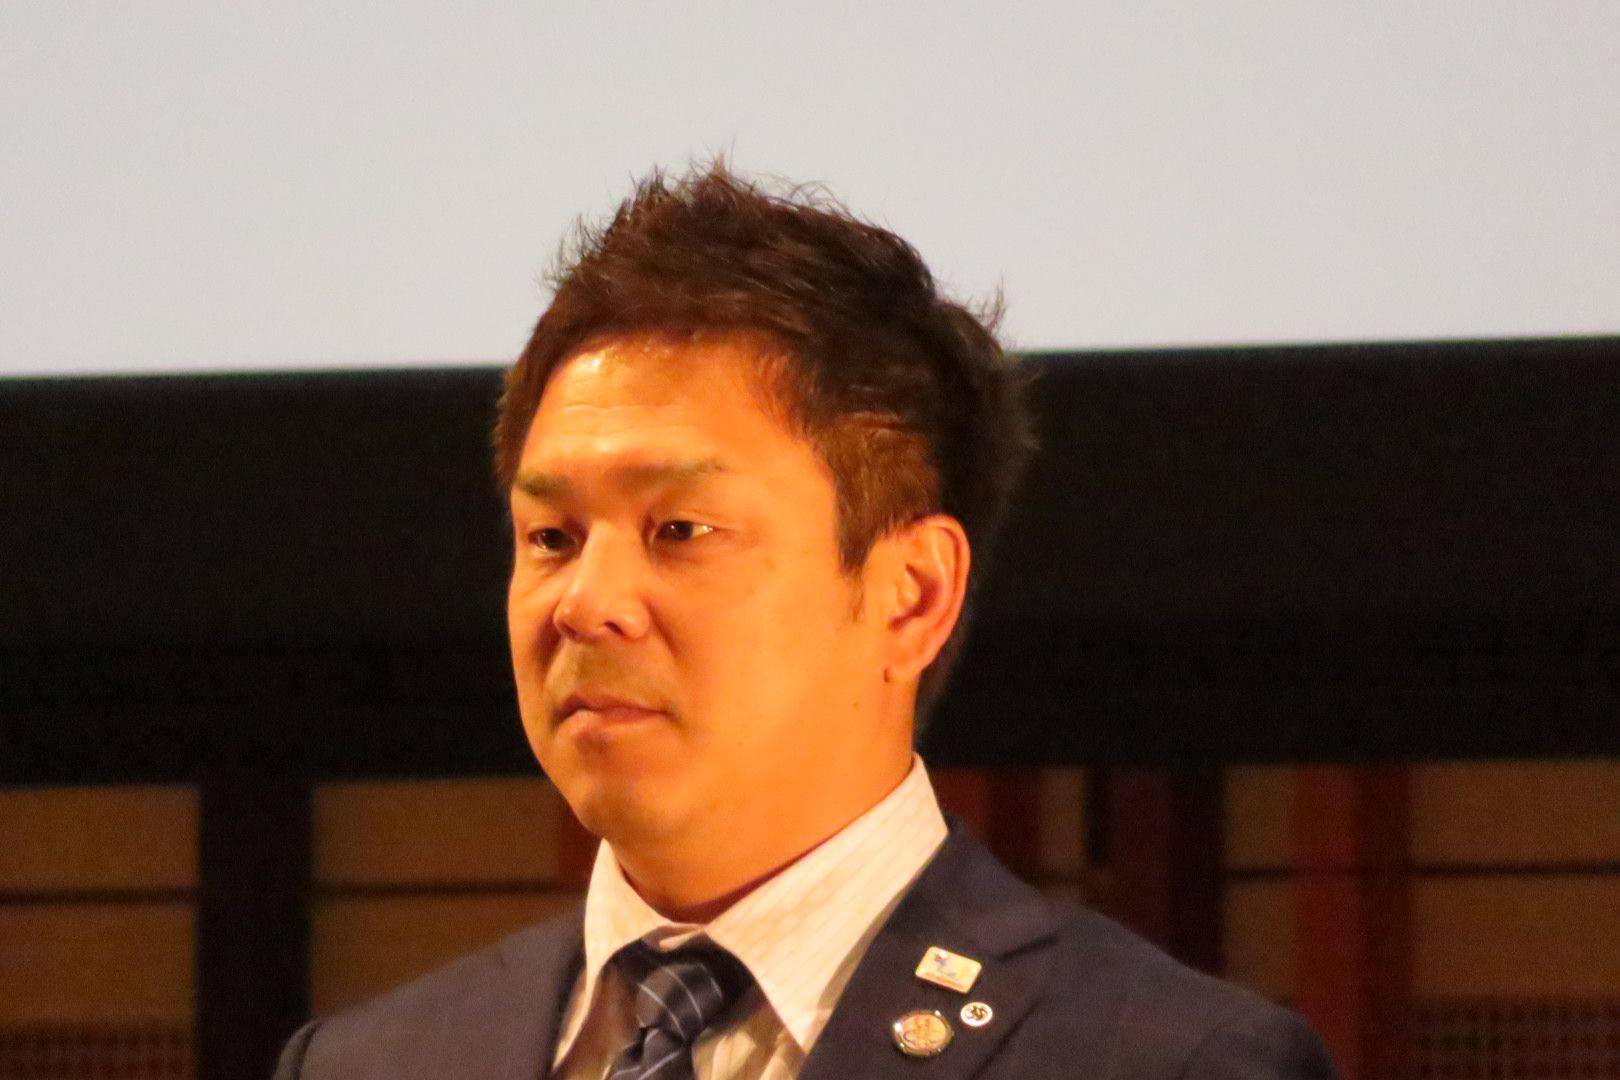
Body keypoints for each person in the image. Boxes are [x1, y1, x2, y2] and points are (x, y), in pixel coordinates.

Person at [273, 163, 1337, 1079]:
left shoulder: (1162, 1059)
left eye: (680, 529)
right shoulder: (372, 1062)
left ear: (911, 594)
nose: (587, 604)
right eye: (551, 537)